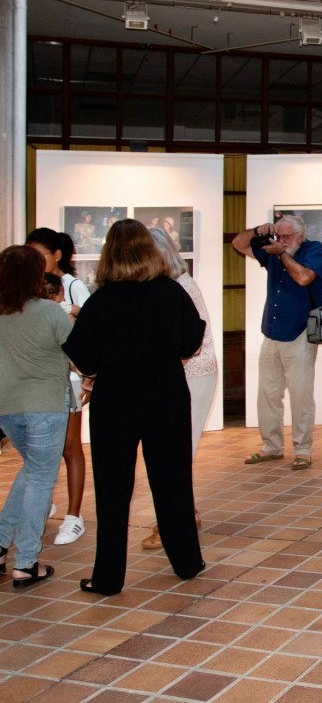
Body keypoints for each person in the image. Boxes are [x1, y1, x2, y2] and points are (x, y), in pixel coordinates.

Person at [62, 219, 207, 596]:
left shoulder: (102, 300)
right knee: (173, 481)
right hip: (166, 393)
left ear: (109, 253)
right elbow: (192, 340)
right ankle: (188, 563)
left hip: (117, 397)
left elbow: (82, 356)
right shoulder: (172, 293)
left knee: (113, 490)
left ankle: (108, 578)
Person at [140, 227, 218, 551]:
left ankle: (172, 525)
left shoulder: (181, 287)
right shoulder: (166, 286)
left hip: (194, 376)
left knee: (176, 453)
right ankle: (187, 516)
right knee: (174, 452)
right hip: (179, 375)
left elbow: (191, 343)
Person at [0, 245, 72, 589]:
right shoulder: (49, 311)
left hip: (6, 407)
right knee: (42, 478)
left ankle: (0, 544)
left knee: (32, 470)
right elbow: (79, 356)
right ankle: (25, 563)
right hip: (45, 405)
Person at [232, 215, 322, 471]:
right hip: (272, 331)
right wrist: (256, 231)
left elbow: (304, 278)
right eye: (279, 236)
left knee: (301, 396)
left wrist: (281, 254)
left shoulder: (313, 249)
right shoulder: (273, 251)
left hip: (299, 332)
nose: (282, 241)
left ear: (300, 235)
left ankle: (303, 449)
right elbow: (238, 244)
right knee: (268, 394)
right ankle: (272, 446)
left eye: (287, 237)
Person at [26, 227, 90, 546]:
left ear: (57, 255)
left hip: (73, 377)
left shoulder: (73, 286)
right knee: (40, 449)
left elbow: (91, 326)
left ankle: (74, 516)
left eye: (40, 255)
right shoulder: (29, 285)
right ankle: (44, 504)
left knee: (69, 446)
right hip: (40, 378)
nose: (35, 261)